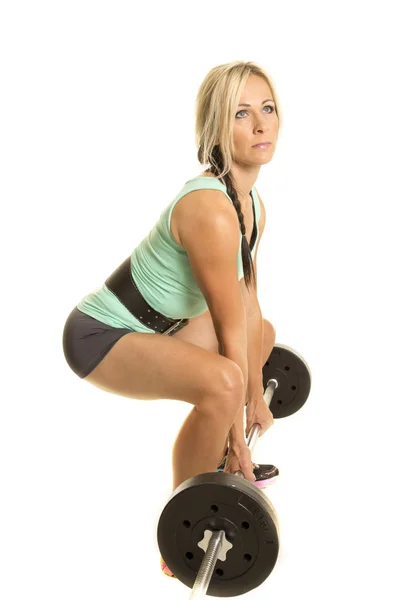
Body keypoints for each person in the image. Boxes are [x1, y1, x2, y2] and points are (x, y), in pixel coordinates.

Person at [62, 60, 281, 578]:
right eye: (241, 114)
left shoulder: (252, 204)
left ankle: (223, 462)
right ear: (215, 127)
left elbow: (248, 309)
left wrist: (257, 398)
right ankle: (185, 522)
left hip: (159, 328)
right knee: (224, 381)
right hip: (100, 336)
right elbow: (228, 332)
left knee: (261, 335)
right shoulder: (209, 207)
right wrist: (241, 432)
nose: (260, 125)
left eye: (268, 109)